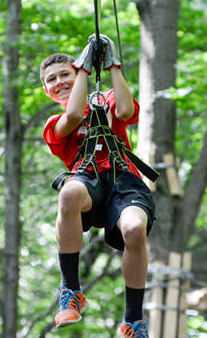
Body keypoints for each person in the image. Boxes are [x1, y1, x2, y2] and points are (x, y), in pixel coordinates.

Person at [40, 34, 155, 338]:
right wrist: (84, 69)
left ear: (77, 74)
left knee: (134, 230)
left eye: (65, 74)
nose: (59, 81)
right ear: (46, 90)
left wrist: (113, 66)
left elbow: (127, 112)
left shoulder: (106, 101)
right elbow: (75, 114)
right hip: (87, 182)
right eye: (51, 79)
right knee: (69, 193)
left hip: (124, 182)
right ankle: (71, 291)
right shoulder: (54, 126)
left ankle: (133, 320)